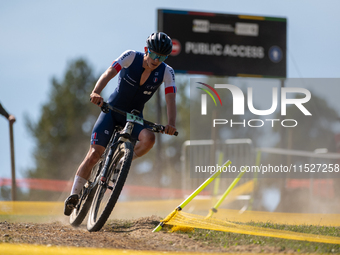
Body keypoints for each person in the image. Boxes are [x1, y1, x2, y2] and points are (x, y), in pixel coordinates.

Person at [64, 32, 177, 216]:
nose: (157, 60)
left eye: (162, 57)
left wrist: (171, 124)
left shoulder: (166, 71)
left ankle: (122, 161)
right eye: (155, 54)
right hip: (112, 111)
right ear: (146, 50)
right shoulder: (131, 56)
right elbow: (109, 72)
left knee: (149, 138)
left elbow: (171, 98)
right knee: (94, 155)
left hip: (134, 117)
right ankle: (74, 195)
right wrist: (96, 92)